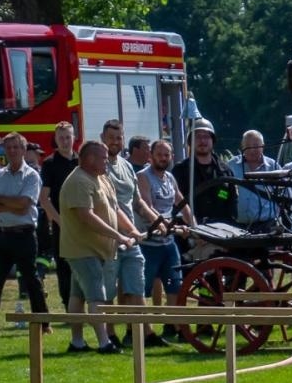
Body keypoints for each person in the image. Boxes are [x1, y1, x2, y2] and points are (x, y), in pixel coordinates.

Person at [59, 139, 141, 353]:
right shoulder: (78, 181)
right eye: (103, 158)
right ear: (89, 159)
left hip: (96, 250)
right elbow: (86, 217)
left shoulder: (101, 178)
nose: (107, 162)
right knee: (97, 295)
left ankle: (77, 342)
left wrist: (131, 230)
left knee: (77, 296)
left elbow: (115, 209)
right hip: (83, 250)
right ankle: (105, 343)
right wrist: (118, 236)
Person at [0, 133, 49, 337]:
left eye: (16, 147)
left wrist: (2, 200)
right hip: (3, 234)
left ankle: (44, 323)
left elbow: (24, 206)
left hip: (24, 235)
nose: (12, 151)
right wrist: (12, 203)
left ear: (24, 150)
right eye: (9, 148)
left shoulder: (31, 176)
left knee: (31, 280)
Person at [101, 119, 159, 346]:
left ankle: (144, 334)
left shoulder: (126, 166)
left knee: (135, 285)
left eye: (119, 137)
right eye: (111, 138)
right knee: (108, 292)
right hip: (108, 236)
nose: (116, 142)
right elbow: (109, 204)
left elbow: (138, 202)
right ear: (102, 139)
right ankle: (109, 335)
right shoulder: (99, 167)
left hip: (131, 238)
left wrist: (158, 221)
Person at [137, 139, 193, 324]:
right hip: (148, 243)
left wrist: (193, 226)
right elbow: (146, 205)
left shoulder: (170, 178)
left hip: (168, 242)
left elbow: (181, 201)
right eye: (159, 155)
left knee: (174, 286)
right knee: (142, 289)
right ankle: (139, 331)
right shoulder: (143, 177)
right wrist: (166, 225)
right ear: (151, 156)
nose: (163, 158)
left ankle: (174, 326)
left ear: (172, 157)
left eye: (166, 155)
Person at [40, 121, 80, 317]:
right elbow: (44, 198)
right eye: (61, 138)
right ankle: (68, 308)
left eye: (68, 137)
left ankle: (84, 307)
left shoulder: (81, 161)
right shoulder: (49, 163)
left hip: (82, 222)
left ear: (74, 138)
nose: (65, 141)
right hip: (61, 225)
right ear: (55, 140)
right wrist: (59, 222)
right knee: (64, 268)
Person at [179, 117, 236, 224]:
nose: (202, 141)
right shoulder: (180, 171)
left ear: (212, 140)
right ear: (191, 141)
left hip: (221, 232)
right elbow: (176, 205)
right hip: (190, 232)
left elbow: (231, 201)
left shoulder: (225, 172)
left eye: (206, 136)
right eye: (198, 137)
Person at [233, 129, 283, 231]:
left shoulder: (273, 167)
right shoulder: (231, 166)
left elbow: (286, 196)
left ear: (263, 146)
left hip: (267, 227)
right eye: (248, 145)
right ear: (242, 146)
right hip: (237, 227)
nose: (252, 150)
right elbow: (222, 192)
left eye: (256, 146)